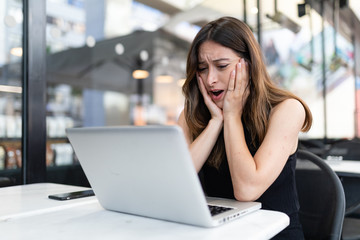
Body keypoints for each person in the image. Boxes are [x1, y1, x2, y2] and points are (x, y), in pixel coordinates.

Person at [177, 16, 312, 239]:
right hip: (218, 233)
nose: (210, 79)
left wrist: (232, 116)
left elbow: (246, 190)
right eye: (202, 68)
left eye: (221, 66)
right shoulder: (192, 114)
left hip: (274, 234)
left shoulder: (287, 110)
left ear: (249, 64)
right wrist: (215, 123)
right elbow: (176, 184)